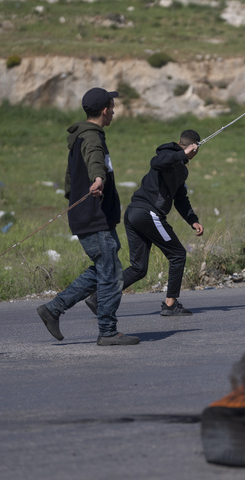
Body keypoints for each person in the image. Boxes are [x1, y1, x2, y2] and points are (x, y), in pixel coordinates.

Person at [37, 87, 139, 346]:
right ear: (105, 110)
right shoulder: (92, 138)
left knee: (106, 268)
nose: (114, 110)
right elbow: (96, 162)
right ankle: (107, 331)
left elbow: (70, 181)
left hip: (92, 215)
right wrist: (98, 179)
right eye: (112, 106)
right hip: (93, 217)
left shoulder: (81, 136)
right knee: (112, 274)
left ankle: (53, 310)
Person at [85, 129, 204, 317]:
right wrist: (182, 154)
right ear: (193, 148)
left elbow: (180, 198)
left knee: (138, 269)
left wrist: (193, 220)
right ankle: (170, 305)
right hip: (147, 213)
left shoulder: (181, 169)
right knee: (178, 254)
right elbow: (156, 162)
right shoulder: (168, 154)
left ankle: (98, 298)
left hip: (135, 214)